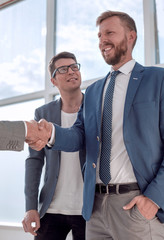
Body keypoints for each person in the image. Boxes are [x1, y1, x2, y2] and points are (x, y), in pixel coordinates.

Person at [32, 11, 164, 240]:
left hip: (135, 204)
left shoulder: (157, 80)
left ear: (131, 36)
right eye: (99, 35)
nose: (102, 41)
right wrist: (51, 133)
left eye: (110, 33)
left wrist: (154, 198)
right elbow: (79, 135)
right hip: (95, 208)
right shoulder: (94, 91)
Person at [22, 52, 86, 240]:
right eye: (63, 69)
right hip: (51, 207)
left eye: (75, 67)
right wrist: (31, 207)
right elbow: (34, 162)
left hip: (89, 208)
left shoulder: (95, 108)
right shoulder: (43, 113)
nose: (71, 72)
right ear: (53, 80)